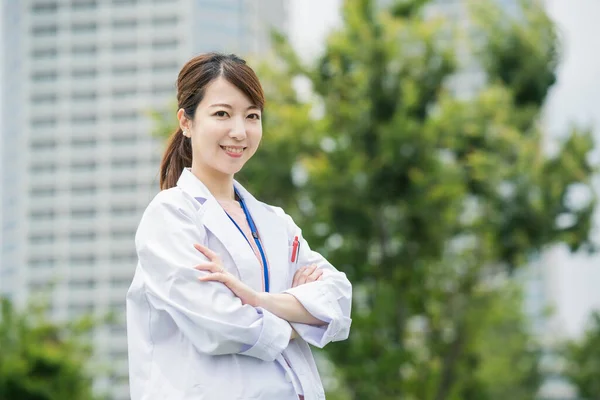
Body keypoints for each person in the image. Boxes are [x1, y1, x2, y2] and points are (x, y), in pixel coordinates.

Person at [126, 53, 352, 400]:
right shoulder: (171, 215)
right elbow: (223, 326)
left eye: (252, 116)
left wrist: (258, 300)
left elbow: (337, 298)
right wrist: (302, 317)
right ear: (186, 122)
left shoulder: (275, 221)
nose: (239, 131)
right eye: (221, 114)